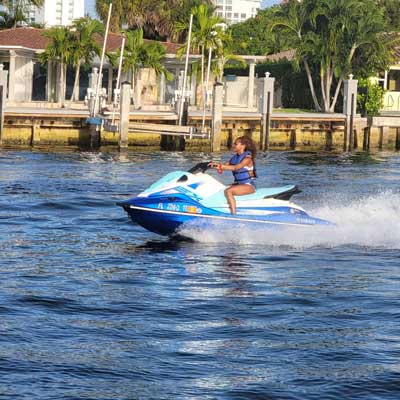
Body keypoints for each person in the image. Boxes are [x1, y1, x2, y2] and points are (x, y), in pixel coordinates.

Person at [209, 136, 257, 214]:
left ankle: (233, 214)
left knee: (229, 191)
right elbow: (225, 166)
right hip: (239, 183)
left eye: (236, 144)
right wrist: (214, 165)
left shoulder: (247, 159)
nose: (233, 145)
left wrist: (220, 166)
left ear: (243, 146)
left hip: (249, 185)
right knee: (220, 187)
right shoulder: (234, 158)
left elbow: (235, 167)